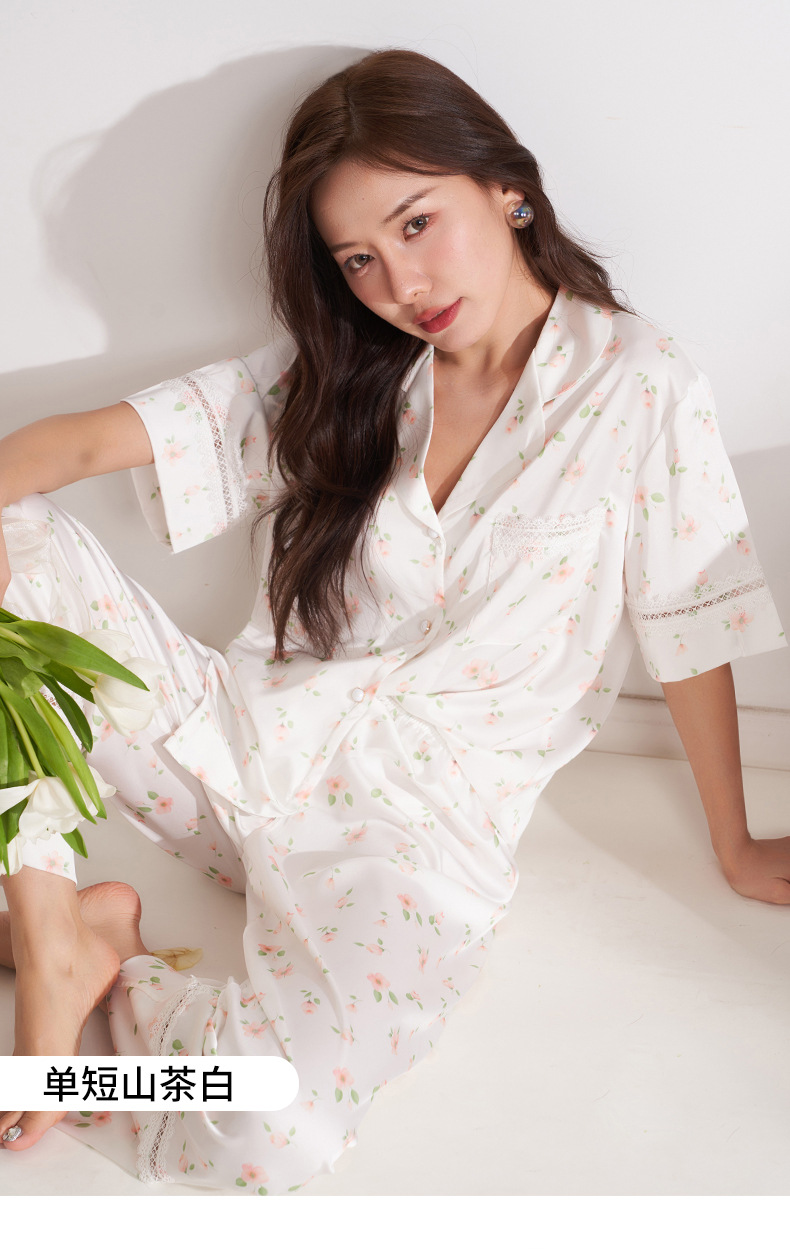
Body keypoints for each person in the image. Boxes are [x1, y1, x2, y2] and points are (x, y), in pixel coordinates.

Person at [0, 47, 787, 1194]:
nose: (400, 283)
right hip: (234, 757)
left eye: (417, 223)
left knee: (267, 1131)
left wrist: (734, 844)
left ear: (506, 189)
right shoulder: (342, 372)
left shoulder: (638, 385)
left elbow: (687, 622)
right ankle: (48, 934)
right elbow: (70, 445)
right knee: (7, 546)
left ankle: (112, 977)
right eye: (359, 258)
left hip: (407, 843)